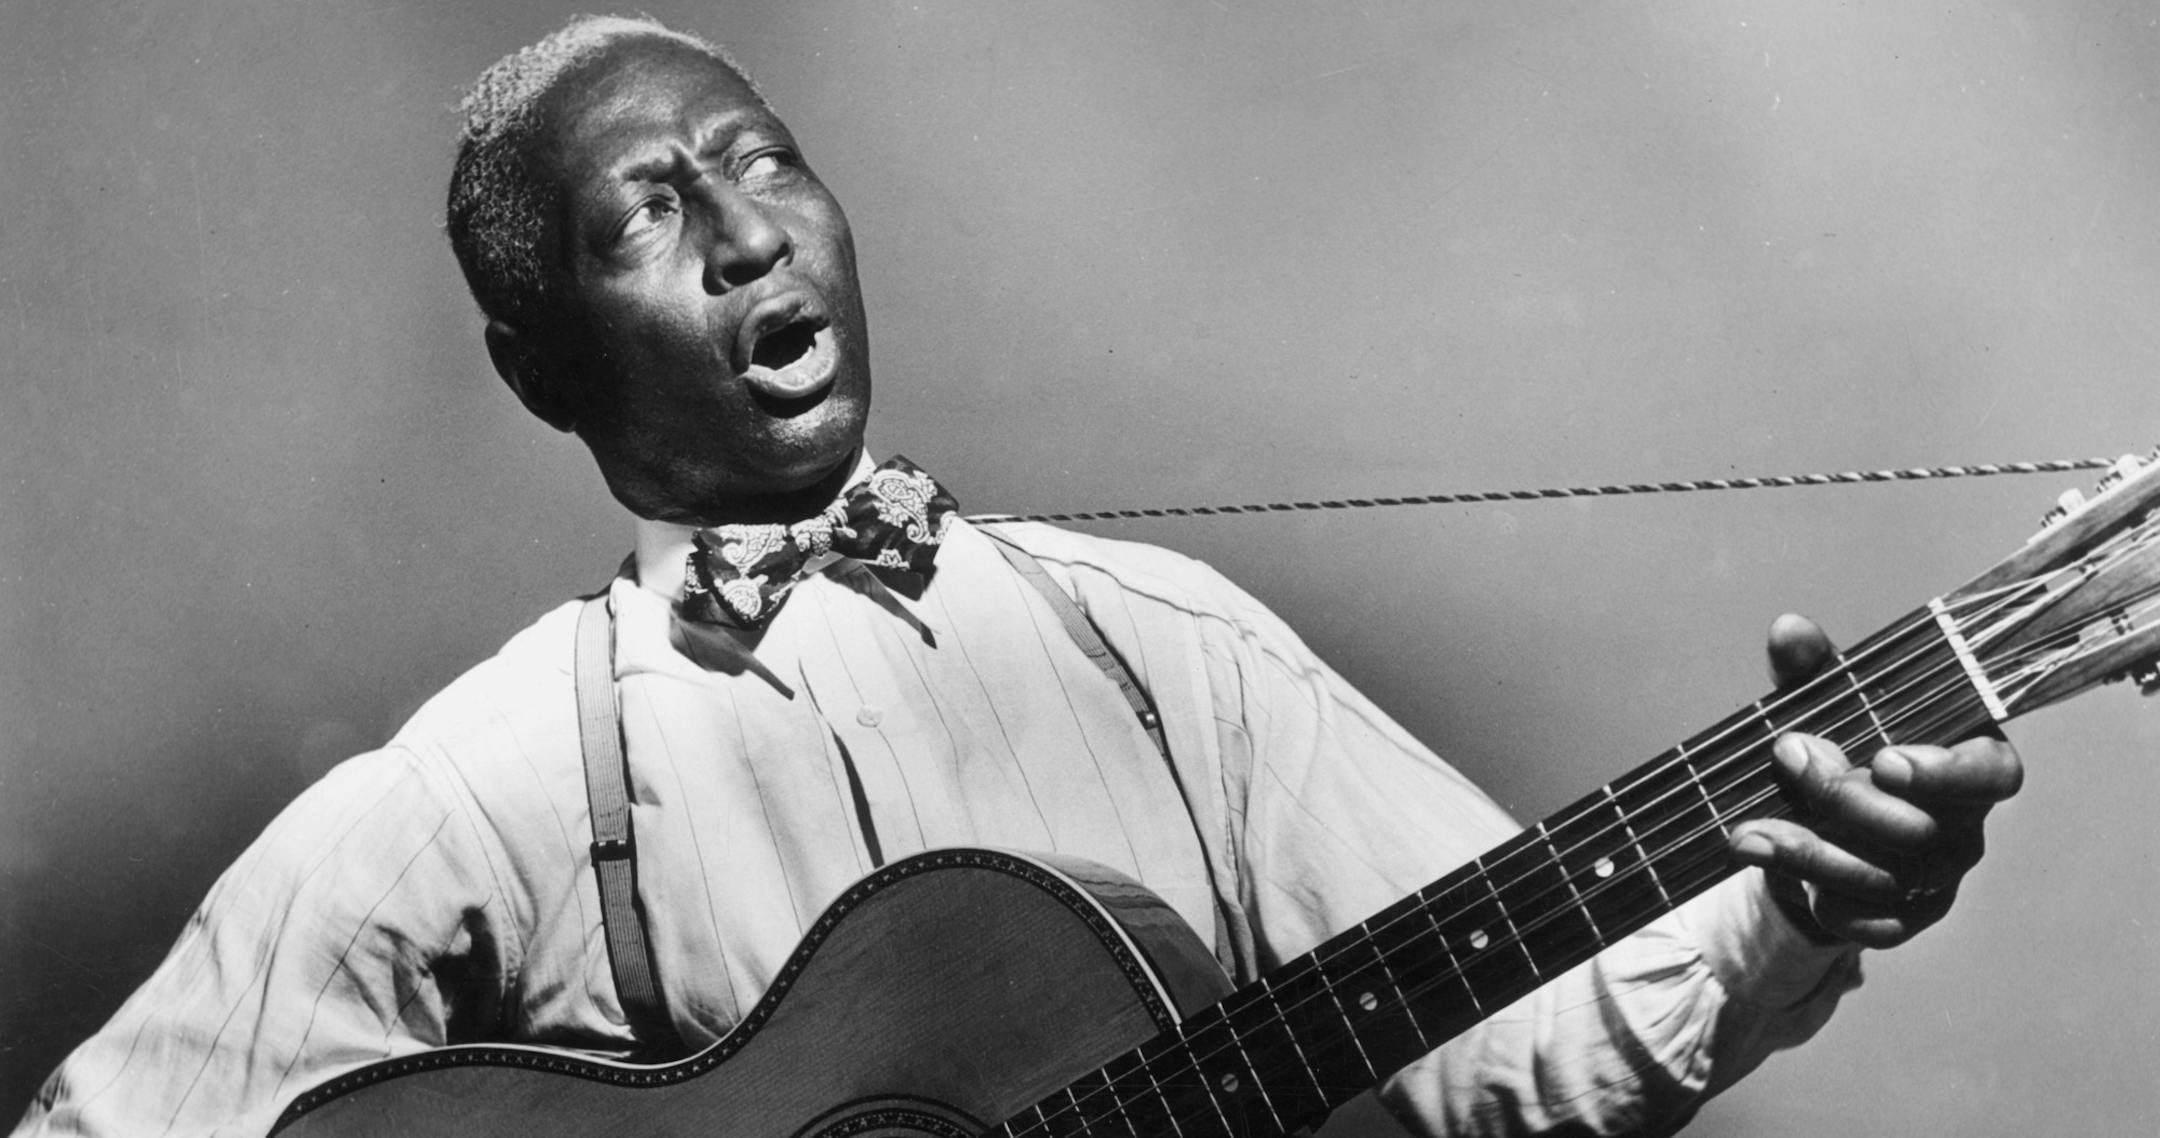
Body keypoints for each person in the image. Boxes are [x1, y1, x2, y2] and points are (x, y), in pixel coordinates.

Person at [12, 15, 2023, 1137]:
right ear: (544, 359)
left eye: (766, 157)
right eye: (652, 211)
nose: (750, 238)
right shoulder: (492, 783)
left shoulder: (1170, 654)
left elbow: (1518, 1056)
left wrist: (1790, 907)